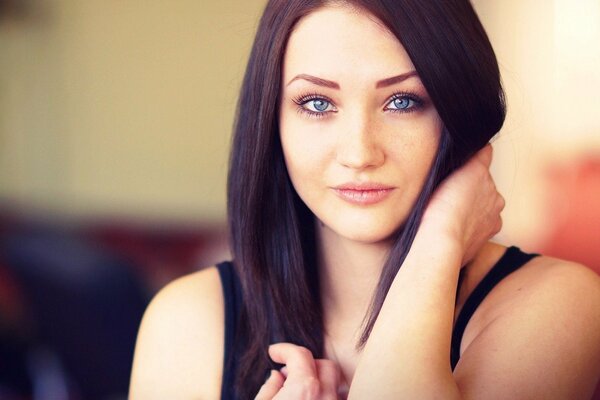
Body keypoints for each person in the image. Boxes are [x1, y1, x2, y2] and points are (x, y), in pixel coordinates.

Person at [129, 1, 600, 399]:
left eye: (403, 101)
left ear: (455, 112)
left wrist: (440, 241)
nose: (359, 153)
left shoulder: (560, 307)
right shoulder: (187, 323)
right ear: (272, 120)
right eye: (317, 103)